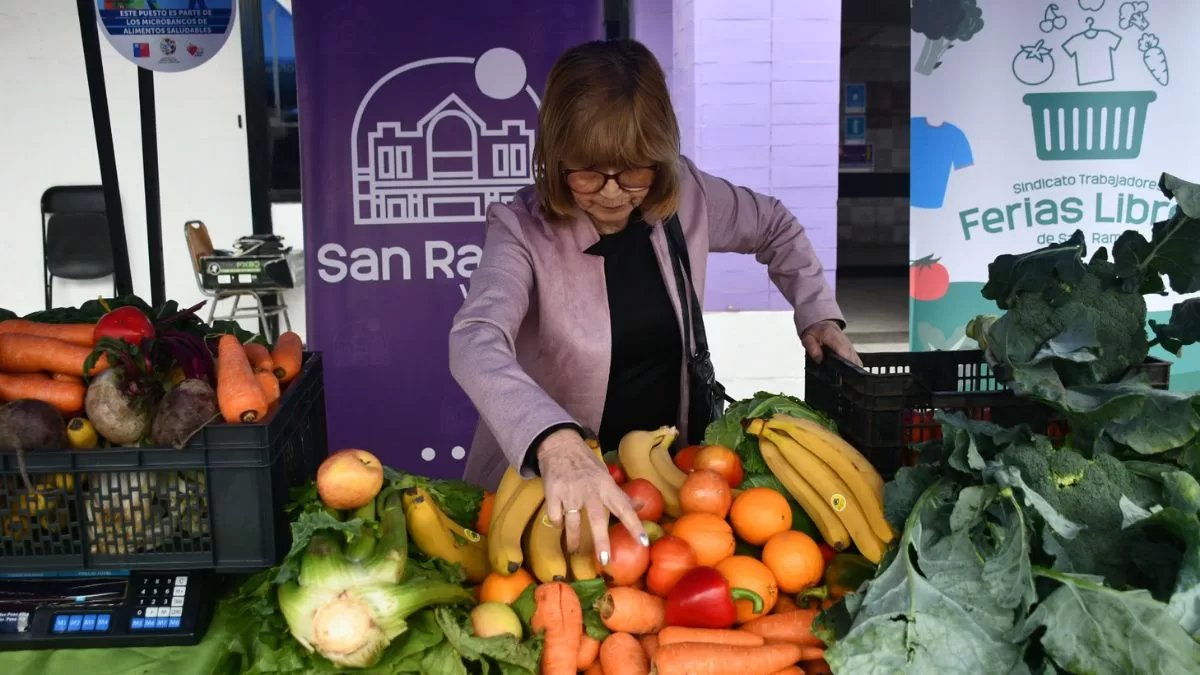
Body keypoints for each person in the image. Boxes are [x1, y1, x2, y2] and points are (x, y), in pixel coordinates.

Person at [449, 38, 860, 566]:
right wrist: (552, 439)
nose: (614, 191)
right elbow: (475, 340)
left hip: (671, 481)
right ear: (555, 156)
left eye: (635, 170)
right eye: (588, 171)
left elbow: (775, 225)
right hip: (553, 498)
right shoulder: (520, 231)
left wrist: (818, 312)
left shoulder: (686, 195)